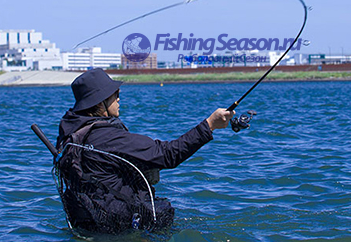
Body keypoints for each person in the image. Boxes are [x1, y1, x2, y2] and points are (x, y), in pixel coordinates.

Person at [56, 68, 234, 233]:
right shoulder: (108, 137)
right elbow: (168, 155)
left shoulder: (70, 134)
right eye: (115, 94)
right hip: (121, 229)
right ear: (100, 102)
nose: (118, 99)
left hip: (87, 223)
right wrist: (209, 125)